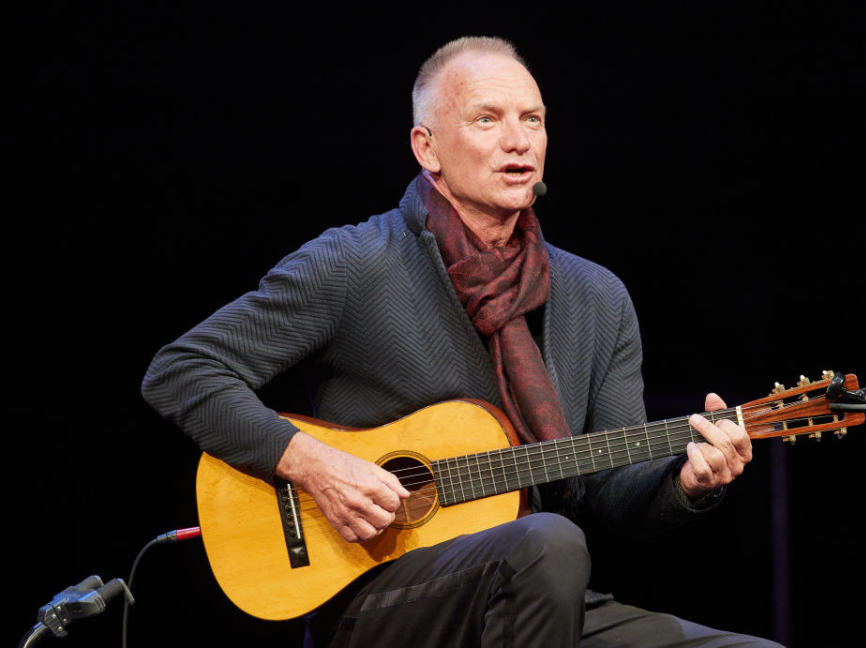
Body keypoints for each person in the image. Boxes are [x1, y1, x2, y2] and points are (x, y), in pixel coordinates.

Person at [142, 36, 781, 647]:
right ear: (428, 147)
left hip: (534, 593)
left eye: (533, 119)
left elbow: (611, 495)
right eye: (486, 119)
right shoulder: (355, 263)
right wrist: (314, 463)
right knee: (550, 544)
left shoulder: (596, 296)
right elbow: (182, 371)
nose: (518, 140)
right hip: (380, 600)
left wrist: (688, 482)